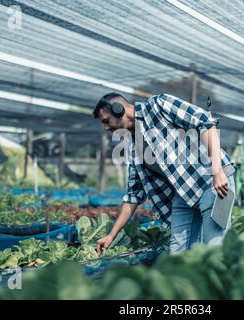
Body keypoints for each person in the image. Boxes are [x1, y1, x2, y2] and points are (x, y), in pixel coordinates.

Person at [94, 92, 236, 254]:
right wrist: (111, 235)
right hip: (183, 193)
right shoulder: (132, 146)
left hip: (212, 182)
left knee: (214, 247)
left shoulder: (159, 105)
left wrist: (217, 171)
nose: (106, 127)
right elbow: (134, 195)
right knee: (178, 254)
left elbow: (206, 122)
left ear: (119, 109)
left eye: (106, 121)